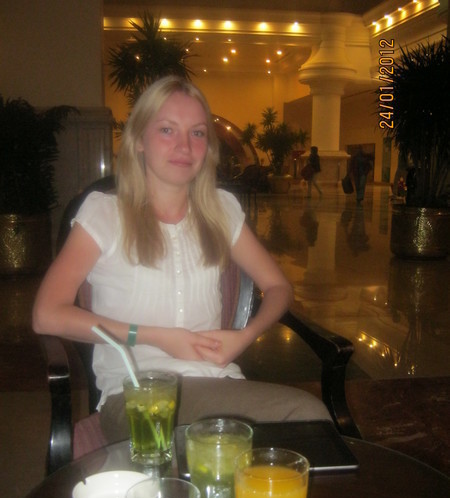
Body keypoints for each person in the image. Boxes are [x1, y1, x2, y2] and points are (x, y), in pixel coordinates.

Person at [32, 76, 294, 441]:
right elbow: (46, 314)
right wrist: (156, 337)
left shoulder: (221, 211)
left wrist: (245, 335)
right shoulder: (105, 214)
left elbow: (279, 287)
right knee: (227, 442)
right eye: (167, 130)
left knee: (308, 420)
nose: (185, 146)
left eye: (197, 133)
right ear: (139, 140)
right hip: (137, 396)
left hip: (217, 383)